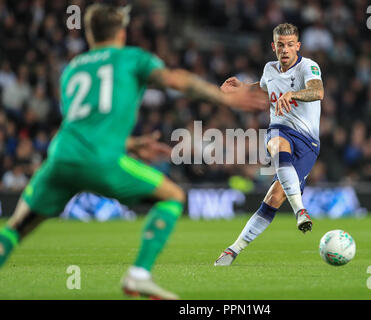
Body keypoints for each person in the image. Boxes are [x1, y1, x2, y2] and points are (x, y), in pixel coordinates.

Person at [0, 3, 267, 299]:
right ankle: (139, 274)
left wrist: (128, 143)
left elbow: (83, 124)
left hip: (60, 157)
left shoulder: (72, 69)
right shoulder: (133, 58)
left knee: (15, 228)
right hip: (99, 159)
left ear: (90, 33)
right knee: (173, 197)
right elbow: (177, 79)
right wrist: (224, 98)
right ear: (122, 31)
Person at [215, 23, 324, 266]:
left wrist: (293, 94)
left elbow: (317, 92)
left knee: (273, 199)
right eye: (281, 45)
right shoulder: (269, 69)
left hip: (308, 142)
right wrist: (243, 88)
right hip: (280, 129)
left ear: (298, 46)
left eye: (290, 45)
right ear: (274, 47)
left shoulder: (309, 67)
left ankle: (235, 248)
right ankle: (300, 211)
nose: (285, 50)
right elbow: (265, 89)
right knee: (277, 144)